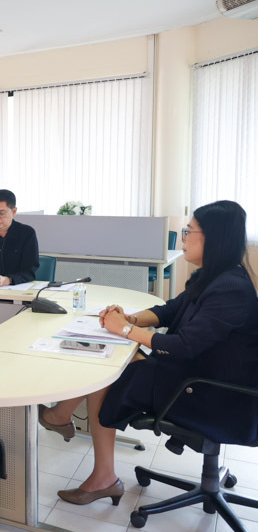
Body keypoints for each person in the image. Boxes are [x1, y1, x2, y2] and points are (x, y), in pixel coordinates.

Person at [39, 200, 258, 506]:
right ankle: (70, 430)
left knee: (110, 369)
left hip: (215, 396)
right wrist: (129, 318)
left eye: (189, 232)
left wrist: (124, 329)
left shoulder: (230, 289)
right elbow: (169, 310)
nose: (183, 238)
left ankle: (87, 454)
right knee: (114, 357)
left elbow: (184, 345)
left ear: (214, 238)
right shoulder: (212, 277)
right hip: (198, 376)